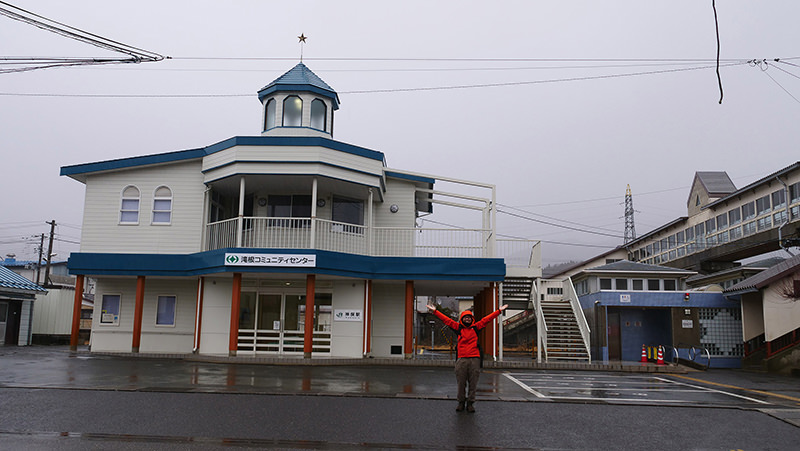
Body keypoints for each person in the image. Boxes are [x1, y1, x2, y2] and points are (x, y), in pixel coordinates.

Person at [427, 303, 508, 412]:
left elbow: (486, 319)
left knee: (473, 383)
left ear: (472, 319)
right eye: (465, 317)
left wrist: (499, 311)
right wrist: (435, 311)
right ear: (462, 319)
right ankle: (461, 402)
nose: (467, 319)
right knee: (461, 383)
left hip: (474, 359)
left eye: (469, 318)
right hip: (462, 359)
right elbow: (447, 320)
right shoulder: (458, 328)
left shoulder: (476, 327)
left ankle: (470, 403)